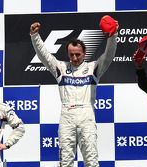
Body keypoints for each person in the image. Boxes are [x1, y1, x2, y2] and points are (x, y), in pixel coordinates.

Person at [29, 17, 119, 167]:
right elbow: (43, 55)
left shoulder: (93, 68)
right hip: (67, 117)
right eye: (71, 54)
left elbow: (109, 55)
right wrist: (35, 36)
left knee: (91, 161)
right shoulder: (61, 68)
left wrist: (113, 35)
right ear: (67, 54)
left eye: (78, 54)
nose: (75, 58)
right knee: (65, 162)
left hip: (86, 116)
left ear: (84, 53)